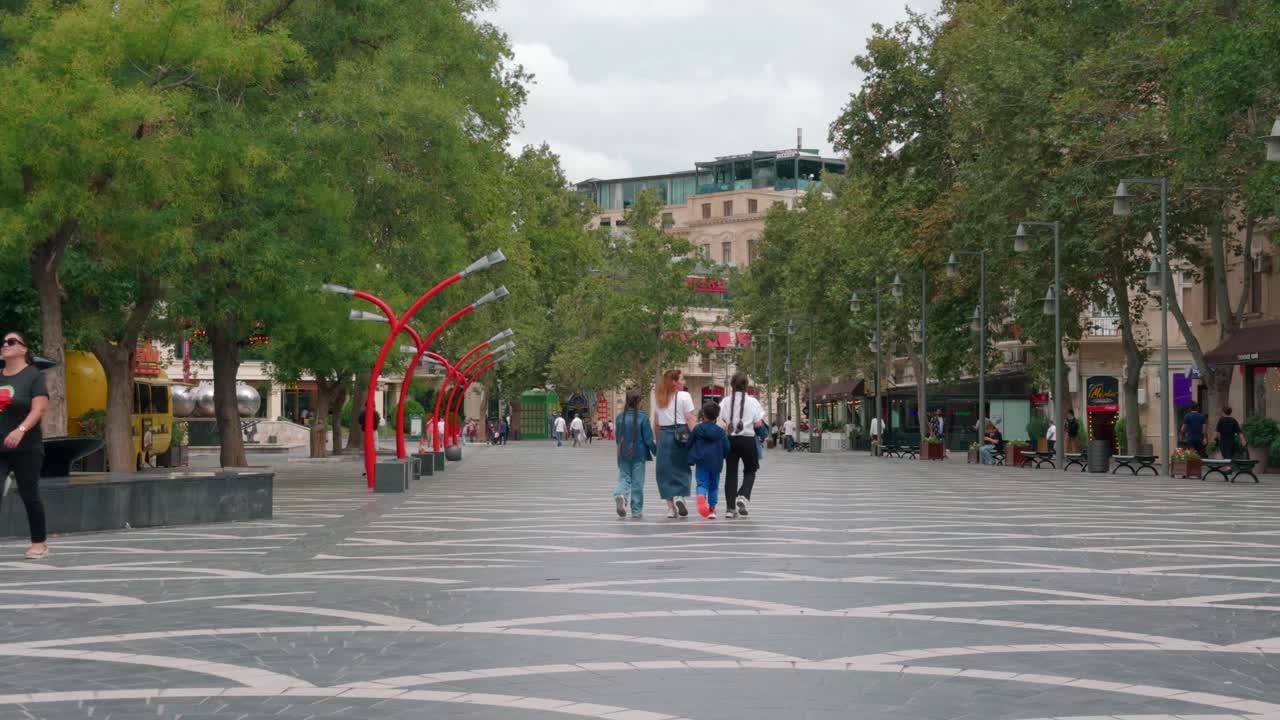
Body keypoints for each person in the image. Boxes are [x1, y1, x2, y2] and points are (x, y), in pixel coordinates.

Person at [0, 332, 50, 559]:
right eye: (3, 342)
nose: (5, 345)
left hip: (27, 447)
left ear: (23, 349)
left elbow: (38, 409)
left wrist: (20, 430)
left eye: (11, 342)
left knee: (29, 494)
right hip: (1, 446)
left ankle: (39, 543)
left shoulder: (33, 376)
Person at [720, 372, 765, 519]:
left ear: (732, 386)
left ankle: (730, 508)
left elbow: (721, 421)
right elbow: (758, 423)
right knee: (751, 469)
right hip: (747, 440)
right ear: (746, 386)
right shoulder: (753, 402)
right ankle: (743, 495)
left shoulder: (725, 402)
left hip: (730, 440)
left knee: (731, 473)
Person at [653, 368, 696, 519]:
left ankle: (671, 508)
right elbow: (690, 418)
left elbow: (657, 423)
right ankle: (680, 496)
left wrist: (658, 442)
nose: (684, 382)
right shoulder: (684, 396)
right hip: (681, 435)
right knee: (682, 468)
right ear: (674, 382)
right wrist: (697, 436)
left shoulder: (659, 397)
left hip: (664, 435)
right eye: (682, 379)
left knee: (664, 473)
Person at [614, 389, 656, 519]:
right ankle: (636, 510)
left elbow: (617, 438)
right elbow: (648, 439)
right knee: (637, 482)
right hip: (639, 454)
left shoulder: (620, 417)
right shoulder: (643, 417)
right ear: (638, 401)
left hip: (623, 453)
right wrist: (656, 452)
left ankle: (621, 494)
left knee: (624, 478)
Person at [688, 400, 729, 519]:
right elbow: (727, 447)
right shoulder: (721, 432)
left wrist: (690, 454)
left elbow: (690, 443)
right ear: (717, 416)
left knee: (702, 482)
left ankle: (701, 496)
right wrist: (724, 455)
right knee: (714, 485)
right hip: (716, 462)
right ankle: (712, 509)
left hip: (701, 460)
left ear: (704, 414)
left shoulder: (697, 429)